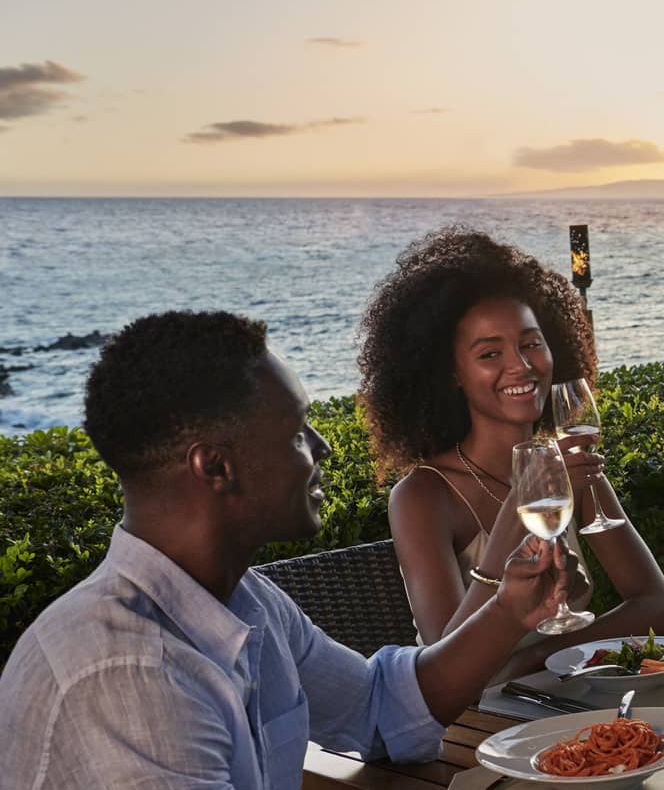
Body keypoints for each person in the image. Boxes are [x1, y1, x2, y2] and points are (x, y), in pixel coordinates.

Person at [0, 311, 584, 788]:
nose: (323, 447)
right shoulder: (129, 678)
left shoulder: (245, 602)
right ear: (216, 465)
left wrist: (509, 610)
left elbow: (379, 708)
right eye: (297, 430)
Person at [359, 226, 664, 685]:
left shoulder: (568, 465)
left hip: (562, 700)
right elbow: (444, 665)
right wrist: (518, 511)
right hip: (470, 727)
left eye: (531, 343)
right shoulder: (423, 496)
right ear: (450, 372)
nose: (522, 365)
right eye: (490, 353)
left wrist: (537, 658)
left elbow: (659, 608)